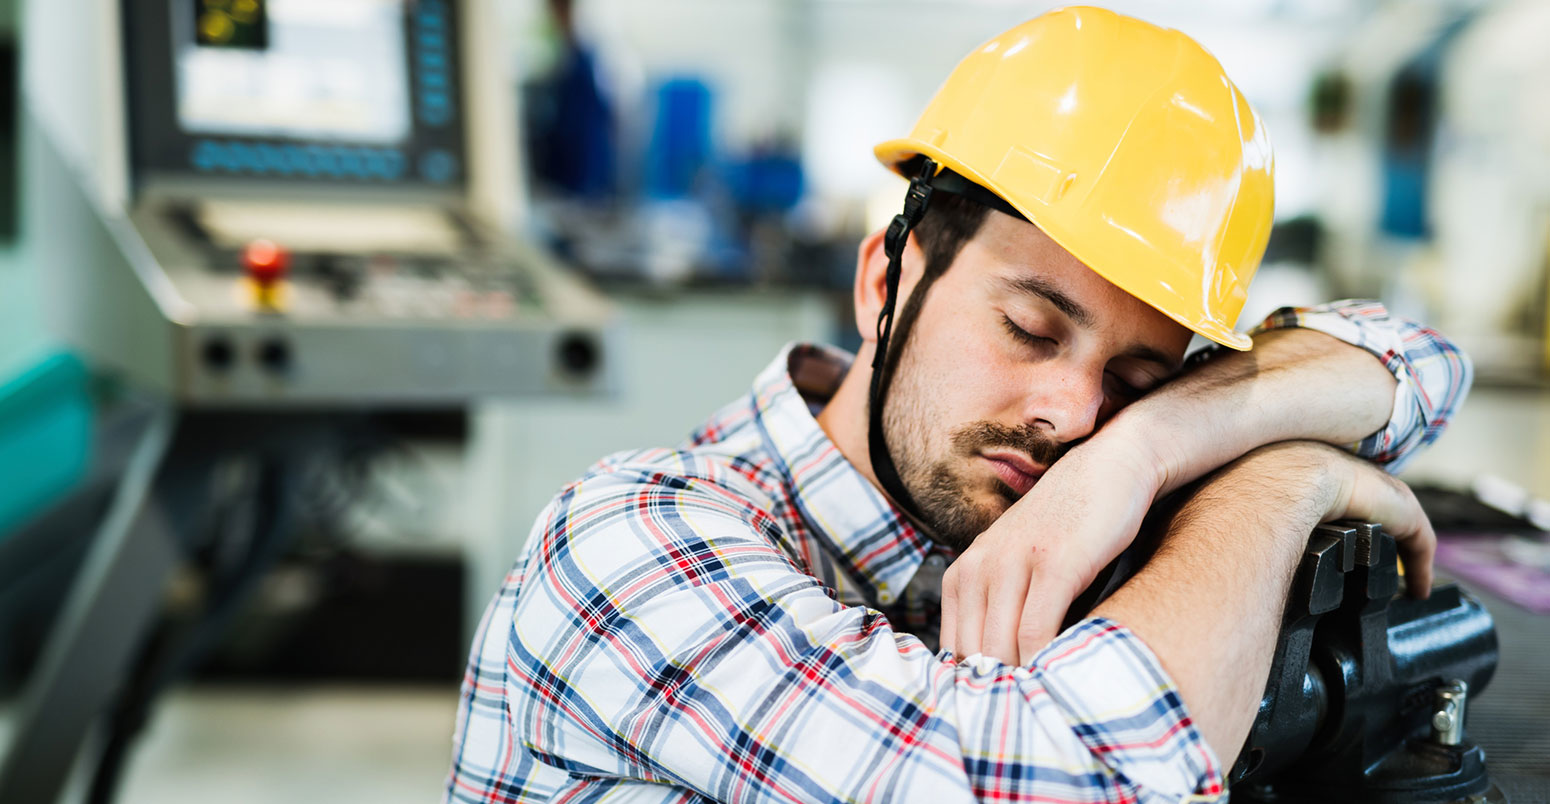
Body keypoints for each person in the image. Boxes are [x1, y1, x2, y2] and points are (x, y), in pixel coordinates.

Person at [444, 8, 1471, 803]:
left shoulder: (1093, 476)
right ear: (884, 287)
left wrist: (1162, 440)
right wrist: (1276, 479)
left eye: (1132, 381)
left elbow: (1417, 362)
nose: (1072, 415)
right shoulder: (627, 545)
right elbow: (1072, 779)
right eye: (1029, 329)